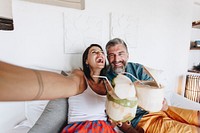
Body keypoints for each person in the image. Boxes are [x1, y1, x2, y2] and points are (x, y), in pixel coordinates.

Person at [1, 44, 138, 133]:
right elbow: (69, 83)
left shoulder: (108, 84)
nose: (100, 54)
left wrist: (118, 120)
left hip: (105, 129)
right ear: (86, 60)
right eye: (94, 52)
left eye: (101, 52)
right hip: (81, 128)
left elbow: (113, 116)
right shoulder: (79, 76)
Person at [105, 38, 200, 133]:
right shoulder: (105, 79)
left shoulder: (137, 69)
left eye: (120, 54)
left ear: (127, 55)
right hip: (145, 119)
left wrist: (162, 103)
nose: (116, 59)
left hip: (163, 109)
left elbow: (154, 91)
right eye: (112, 55)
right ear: (107, 58)